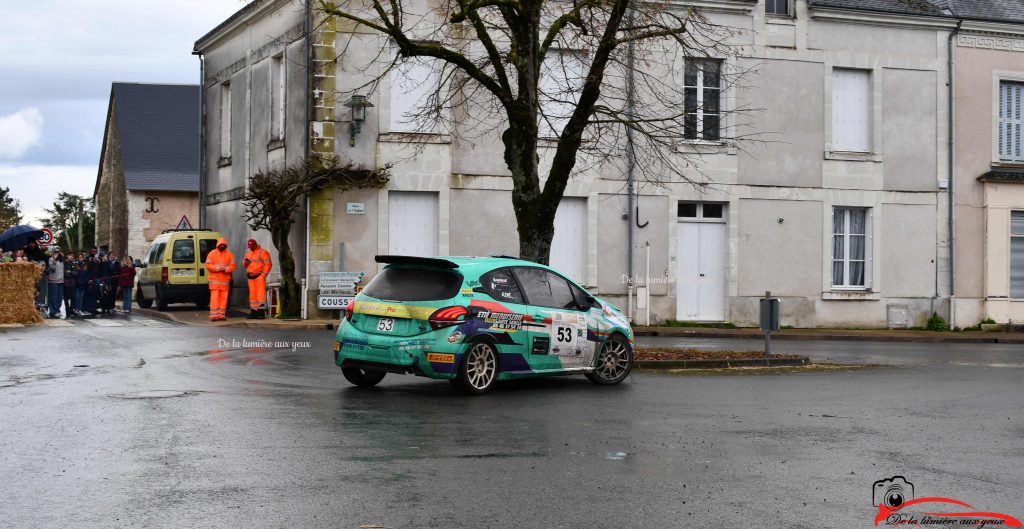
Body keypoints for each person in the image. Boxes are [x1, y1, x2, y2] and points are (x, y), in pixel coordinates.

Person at [204, 238, 235, 321]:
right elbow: (207, 265)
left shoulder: (229, 255)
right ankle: (214, 316)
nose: (222, 246)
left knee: (223, 300)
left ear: (225, 246)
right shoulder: (212, 254)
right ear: (218, 245)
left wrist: (226, 269)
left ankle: (221, 315)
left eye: (223, 245)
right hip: (215, 282)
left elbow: (233, 266)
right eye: (221, 245)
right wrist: (217, 268)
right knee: (215, 299)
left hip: (224, 282)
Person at [243, 239, 272, 319]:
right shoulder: (248, 254)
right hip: (251, 277)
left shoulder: (263, 252)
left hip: (259, 277)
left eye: (252, 246)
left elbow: (268, 264)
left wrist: (263, 275)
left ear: (255, 244)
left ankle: (261, 314)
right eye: (249, 247)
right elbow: (244, 264)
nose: (251, 248)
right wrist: (245, 263)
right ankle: (254, 313)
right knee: (253, 296)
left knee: (260, 296)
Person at [24, 240, 47, 310]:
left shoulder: (39, 251)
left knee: (37, 291)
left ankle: (38, 306)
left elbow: (43, 262)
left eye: (33, 243)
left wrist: (37, 264)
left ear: (35, 244)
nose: (31, 245)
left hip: (36, 274)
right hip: (27, 275)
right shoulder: (25, 250)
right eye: (30, 243)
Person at [46, 248, 65, 318]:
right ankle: (52, 311)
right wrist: (54, 259)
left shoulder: (61, 260)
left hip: (61, 280)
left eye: (59, 251)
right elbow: (52, 268)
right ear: (53, 252)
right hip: (53, 281)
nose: (57, 252)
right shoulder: (51, 259)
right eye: (56, 251)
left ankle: (57, 310)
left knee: (59, 297)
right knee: (53, 297)